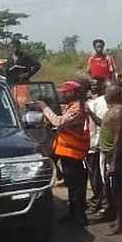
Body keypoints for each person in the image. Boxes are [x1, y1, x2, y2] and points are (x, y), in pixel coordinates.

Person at [34, 80, 90, 227]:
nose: (63, 95)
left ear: (74, 93)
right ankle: (72, 214)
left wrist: (45, 108)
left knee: (76, 188)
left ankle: (79, 218)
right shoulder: (72, 107)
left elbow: (59, 122)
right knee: (71, 186)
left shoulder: (78, 109)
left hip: (75, 155)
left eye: (66, 92)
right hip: (68, 153)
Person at [97, 85, 122, 235]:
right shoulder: (111, 110)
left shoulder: (118, 112)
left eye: (107, 92)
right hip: (109, 153)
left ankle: (120, 222)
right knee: (115, 188)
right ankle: (121, 219)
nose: (105, 95)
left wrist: (114, 161)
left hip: (115, 154)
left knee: (118, 189)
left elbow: (119, 138)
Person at [85, 79, 109, 214]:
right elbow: (92, 126)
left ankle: (101, 202)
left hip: (101, 146)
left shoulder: (95, 104)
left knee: (100, 176)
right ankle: (100, 201)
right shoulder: (96, 103)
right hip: (99, 145)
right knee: (98, 176)